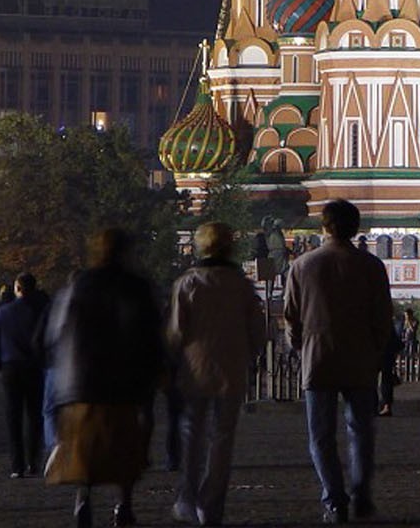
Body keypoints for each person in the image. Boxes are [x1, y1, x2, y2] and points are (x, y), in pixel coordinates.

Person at [284, 199, 394, 524]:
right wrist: (376, 352)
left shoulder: (303, 265)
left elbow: (291, 317)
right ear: (355, 228)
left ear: (325, 226)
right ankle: (361, 496)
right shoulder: (371, 266)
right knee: (361, 431)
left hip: (318, 359)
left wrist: (300, 348)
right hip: (360, 359)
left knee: (321, 435)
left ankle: (334, 500)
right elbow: (382, 318)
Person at [44, 229, 164, 528]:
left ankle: (82, 500)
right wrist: (155, 373)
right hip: (124, 382)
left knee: (84, 445)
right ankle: (124, 504)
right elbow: (150, 335)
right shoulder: (137, 287)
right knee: (124, 446)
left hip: (79, 383)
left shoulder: (76, 287)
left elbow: (55, 334)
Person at [167, 222, 264, 527]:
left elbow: (176, 331)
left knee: (192, 434)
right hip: (232, 371)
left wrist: (170, 359)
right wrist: (252, 355)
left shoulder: (188, 283)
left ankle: (187, 497)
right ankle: (211, 505)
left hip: (194, 371)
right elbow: (257, 332)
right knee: (222, 439)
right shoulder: (241, 285)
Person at [0, 272, 50, 479]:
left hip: (10, 367)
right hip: (34, 367)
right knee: (34, 415)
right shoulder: (40, 312)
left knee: (13, 416)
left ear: (17, 288)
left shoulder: (4, 312)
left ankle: (17, 465)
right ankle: (34, 461)